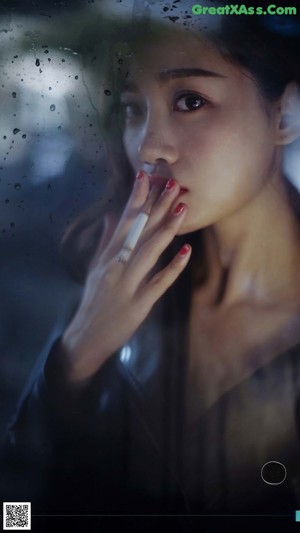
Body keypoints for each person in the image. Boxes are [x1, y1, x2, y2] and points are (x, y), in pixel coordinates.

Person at [2, 1, 300, 530]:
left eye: (189, 100)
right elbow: (16, 511)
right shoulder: (117, 285)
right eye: (134, 110)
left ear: (285, 115)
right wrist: (76, 357)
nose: (149, 147)